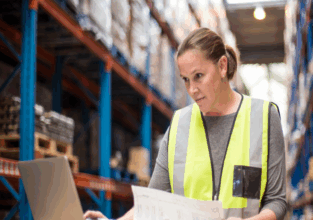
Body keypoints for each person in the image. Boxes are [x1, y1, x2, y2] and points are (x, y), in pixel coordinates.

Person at [83, 27, 287, 220]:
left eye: (198, 76)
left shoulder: (264, 117)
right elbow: (154, 201)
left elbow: (276, 201)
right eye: (185, 80)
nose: (192, 89)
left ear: (222, 66)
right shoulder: (180, 124)